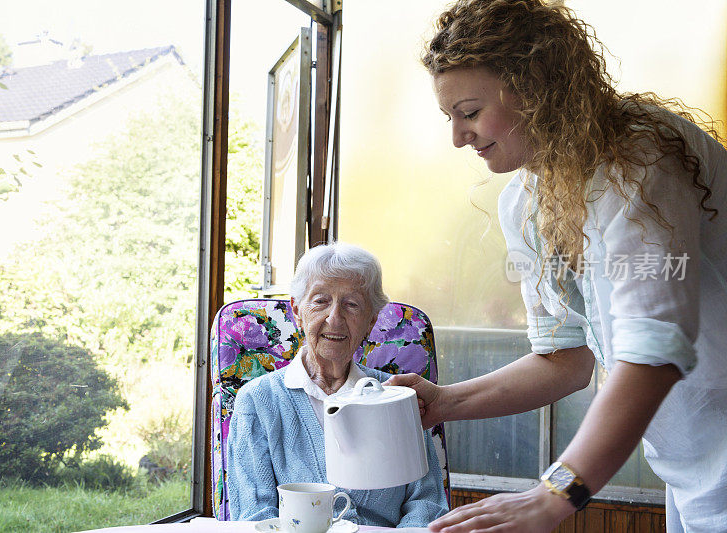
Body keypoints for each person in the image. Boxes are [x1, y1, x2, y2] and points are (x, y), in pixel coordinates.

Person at [386, 1, 727, 531]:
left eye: (470, 112)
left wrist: (552, 496)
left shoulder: (639, 160)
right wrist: (443, 402)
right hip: (692, 472)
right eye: (449, 117)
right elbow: (565, 360)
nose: (457, 137)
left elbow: (654, 353)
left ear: (537, 87)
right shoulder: (526, 204)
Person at [226, 242, 449, 527]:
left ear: (370, 321)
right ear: (297, 310)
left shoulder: (395, 395)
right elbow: (255, 517)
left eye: (351, 304)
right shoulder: (257, 400)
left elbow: (427, 505)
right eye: (320, 301)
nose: (335, 318)